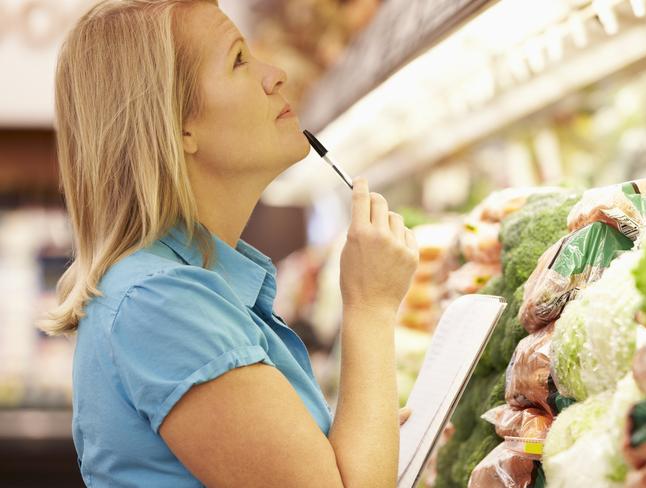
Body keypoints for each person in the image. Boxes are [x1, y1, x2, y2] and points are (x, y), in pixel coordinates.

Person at [42, 0, 419, 486]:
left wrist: (362, 434)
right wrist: (370, 305)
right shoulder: (161, 305)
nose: (276, 74)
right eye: (239, 59)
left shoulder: (187, 286)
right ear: (178, 126)